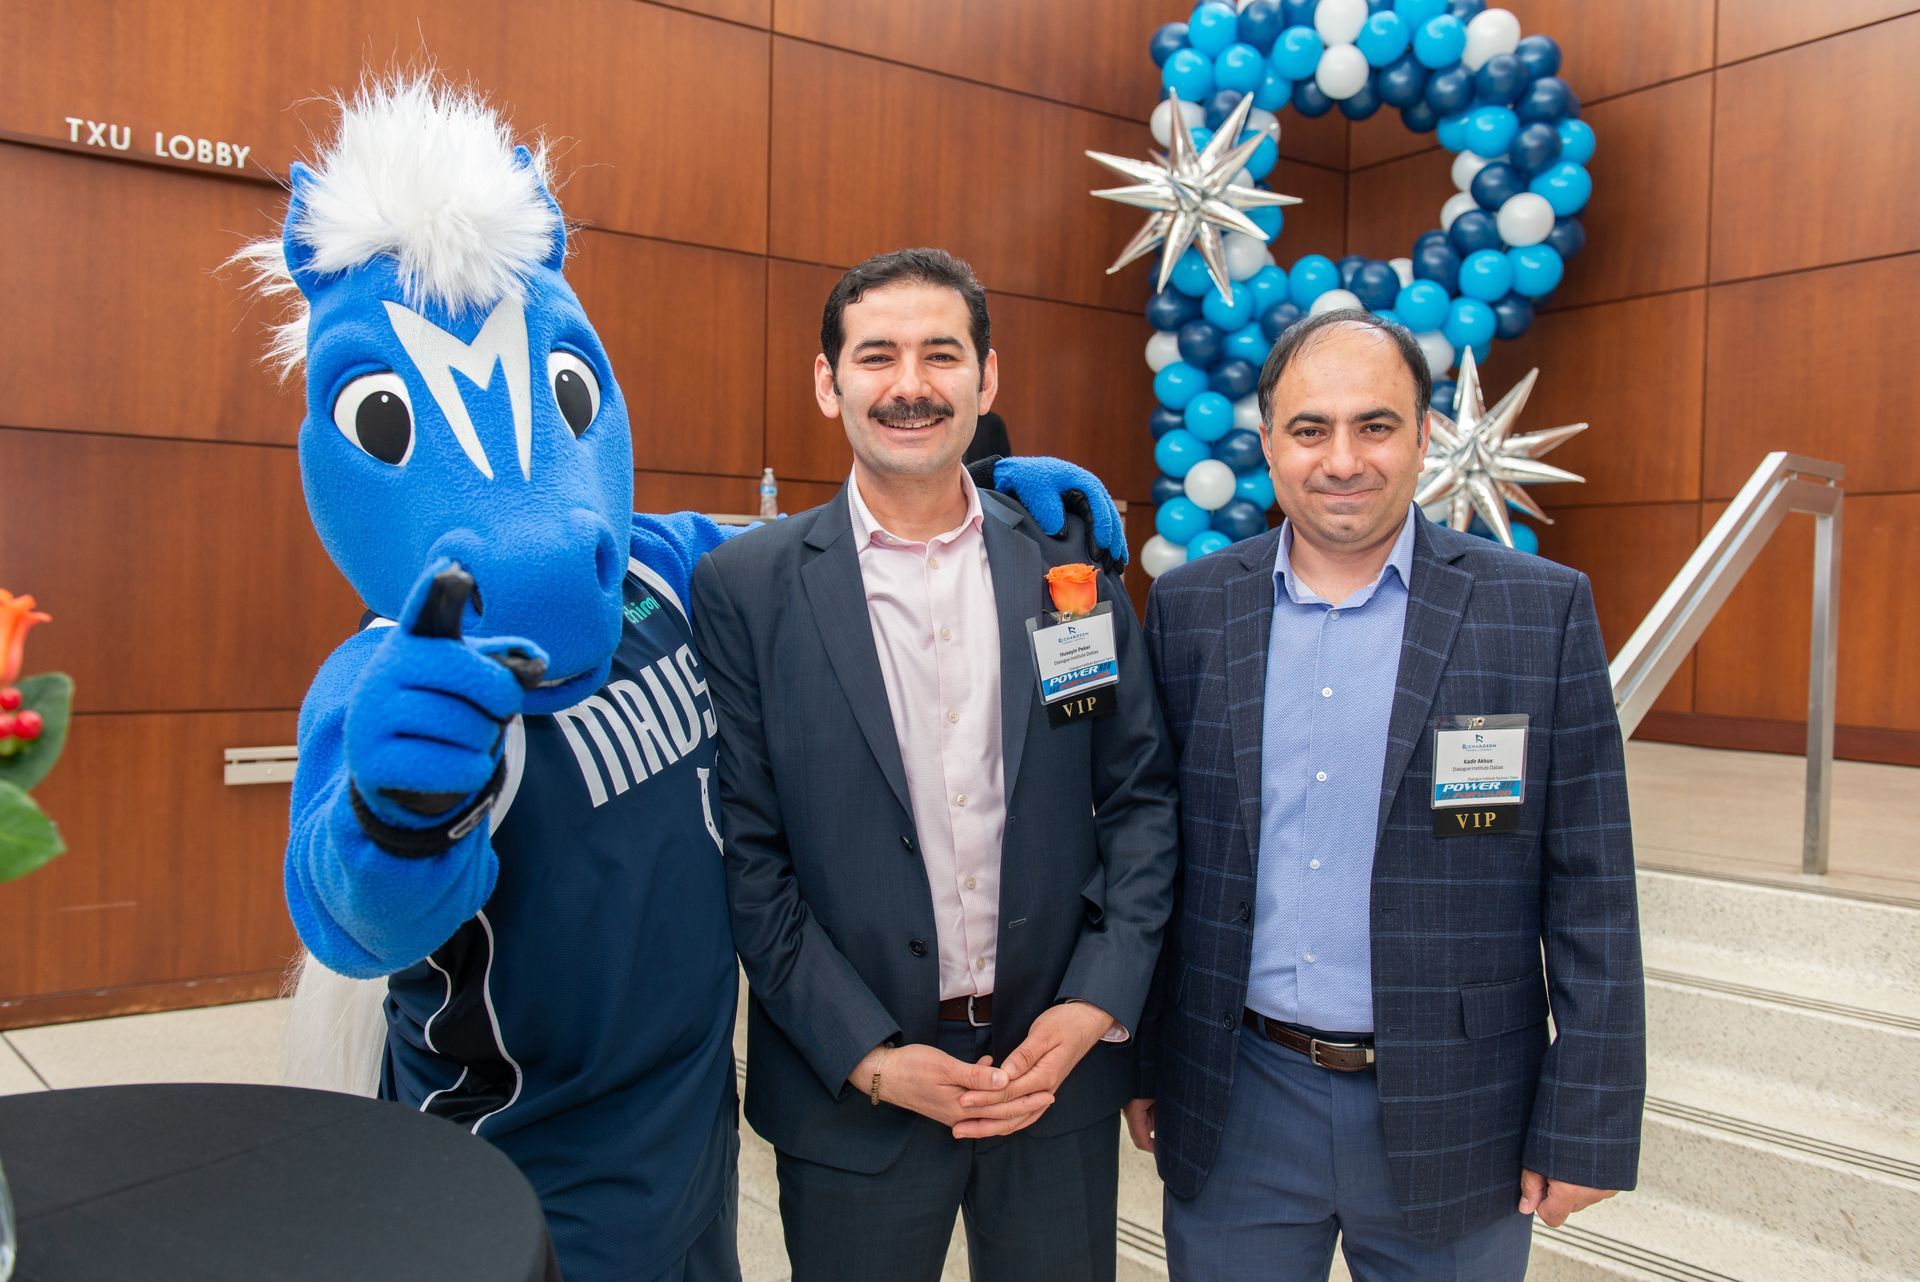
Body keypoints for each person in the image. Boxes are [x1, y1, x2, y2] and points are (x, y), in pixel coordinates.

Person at [690, 248, 1179, 1282]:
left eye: (941, 355)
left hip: (1052, 1074)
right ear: (828, 382)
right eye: (877, 356)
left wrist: (1094, 1003)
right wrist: (867, 1055)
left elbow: (1140, 798)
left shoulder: (1068, 571)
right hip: (851, 1091)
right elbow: (750, 856)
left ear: (986, 379)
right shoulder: (746, 588)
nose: (910, 385)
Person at [1135, 309, 1644, 1280]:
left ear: (1424, 436)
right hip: (1238, 1101)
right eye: (1310, 428)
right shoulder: (1192, 609)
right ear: (1268, 444)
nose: (1343, 460)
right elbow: (1163, 854)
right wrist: (1149, 1057)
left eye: (1375, 426)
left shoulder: (1538, 611)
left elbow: (1594, 889)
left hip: (1462, 1110)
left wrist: (1588, 1118)